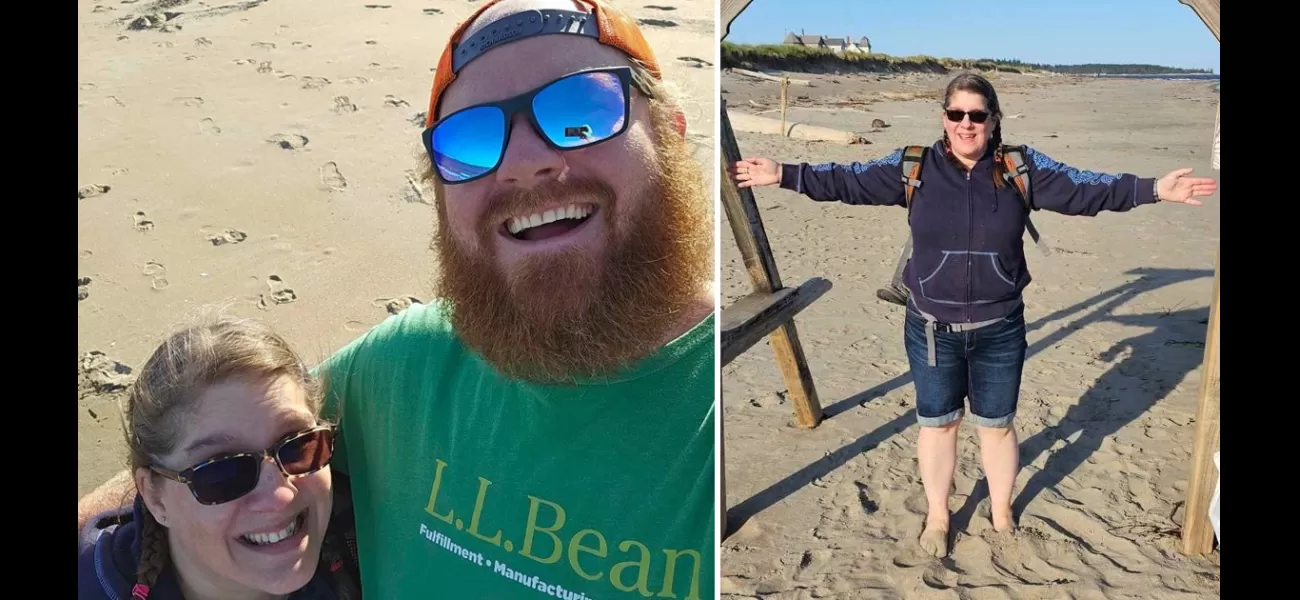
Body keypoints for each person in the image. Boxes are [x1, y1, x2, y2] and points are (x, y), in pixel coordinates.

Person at [78, 0, 716, 597]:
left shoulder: (718, 411)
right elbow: (216, 447)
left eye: (583, 108)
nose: (524, 161)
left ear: (671, 134)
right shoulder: (406, 362)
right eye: (469, 140)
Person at [728, 72, 1216, 558]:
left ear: (992, 119)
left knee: (997, 425)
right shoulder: (913, 166)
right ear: (944, 118)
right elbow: (848, 179)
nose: (966, 124)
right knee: (938, 425)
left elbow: (1085, 189)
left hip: (1000, 328)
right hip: (931, 329)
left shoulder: (1020, 167)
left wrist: (1153, 188)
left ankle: (1002, 512)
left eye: (977, 115)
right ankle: (939, 516)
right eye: (956, 114)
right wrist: (785, 174)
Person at [77, 315, 361, 599]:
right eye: (223, 472)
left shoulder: (362, 530)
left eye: (299, 446)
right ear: (155, 496)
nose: (280, 497)